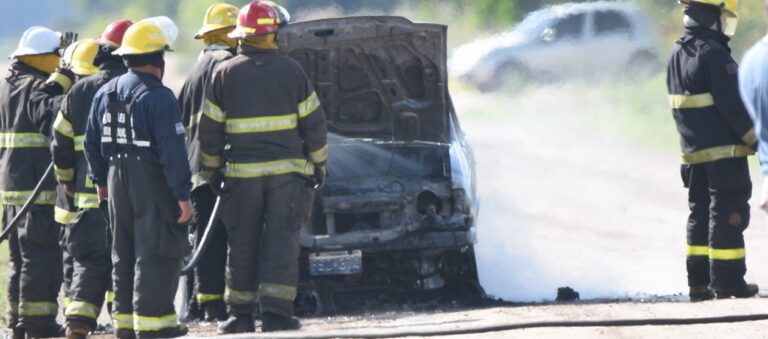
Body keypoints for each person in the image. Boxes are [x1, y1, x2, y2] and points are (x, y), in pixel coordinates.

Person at [199, 0, 327, 333]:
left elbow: (209, 130)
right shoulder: (292, 70)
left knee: (242, 244)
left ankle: (240, 317)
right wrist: (319, 164)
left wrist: (211, 171)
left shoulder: (223, 72)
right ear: (272, 35)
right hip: (287, 178)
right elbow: (314, 124)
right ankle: (276, 315)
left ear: (242, 35)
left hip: (241, 179)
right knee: (281, 244)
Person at [83, 20, 192, 339]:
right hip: (151, 180)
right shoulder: (159, 96)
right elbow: (173, 152)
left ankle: (126, 326)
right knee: (156, 249)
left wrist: (100, 181)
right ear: (158, 58)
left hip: (116, 178)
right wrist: (182, 195)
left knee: (123, 251)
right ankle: (155, 325)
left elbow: (91, 141)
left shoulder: (104, 91)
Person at [667, 0, 758, 301]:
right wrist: (757, 140)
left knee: (700, 214)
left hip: (693, 155)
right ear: (711, 15)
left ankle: (699, 283)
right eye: (723, 15)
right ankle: (729, 282)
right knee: (728, 213)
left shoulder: (677, 55)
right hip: (724, 153)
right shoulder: (715, 54)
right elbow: (733, 106)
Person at [52, 19, 133, 339]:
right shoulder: (137, 84)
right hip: (128, 195)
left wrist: (67, 179)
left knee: (88, 259)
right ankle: (123, 321)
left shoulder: (81, 88)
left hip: (86, 196)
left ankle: (78, 323)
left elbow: (59, 139)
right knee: (123, 258)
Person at [0, 25, 77, 338]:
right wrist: (65, 82)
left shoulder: (7, 85)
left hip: (11, 186)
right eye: (55, 56)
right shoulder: (36, 87)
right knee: (41, 256)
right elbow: (50, 119)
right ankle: (37, 322)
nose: (58, 61)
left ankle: (15, 321)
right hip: (36, 188)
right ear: (41, 57)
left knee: (19, 260)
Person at [176, 3, 238, 322]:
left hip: (196, 171)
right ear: (231, 35)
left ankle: (207, 305)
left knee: (206, 240)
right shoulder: (228, 65)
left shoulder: (194, 72)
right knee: (233, 237)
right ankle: (226, 305)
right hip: (221, 169)